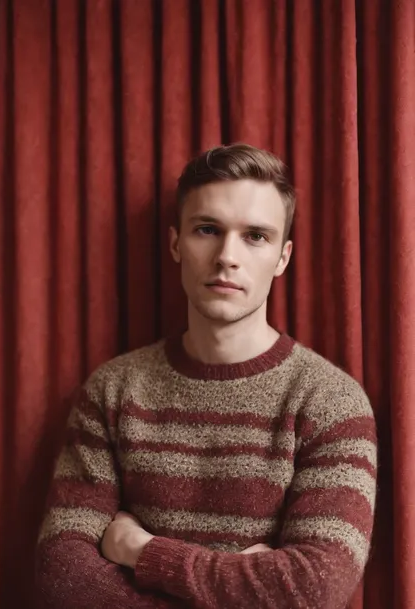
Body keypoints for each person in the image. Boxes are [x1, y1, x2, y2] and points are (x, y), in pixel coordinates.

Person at [35, 144, 377, 609]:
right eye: (207, 229)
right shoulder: (113, 391)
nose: (226, 257)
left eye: (255, 236)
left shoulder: (331, 402)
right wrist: (244, 581)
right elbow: (63, 578)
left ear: (282, 257)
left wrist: (142, 551)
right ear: (177, 243)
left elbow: (315, 589)